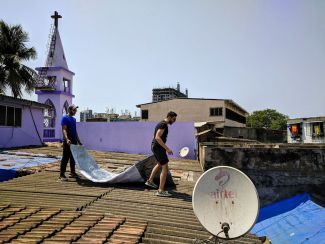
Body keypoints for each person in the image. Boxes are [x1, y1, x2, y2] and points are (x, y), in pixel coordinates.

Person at [145, 111, 177, 196]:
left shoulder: (160, 123)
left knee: (159, 164)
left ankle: (150, 181)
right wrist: (167, 149)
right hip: (158, 148)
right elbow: (157, 137)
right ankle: (160, 190)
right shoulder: (163, 124)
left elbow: (154, 136)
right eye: (174, 119)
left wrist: (155, 146)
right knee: (165, 168)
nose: (174, 121)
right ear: (169, 117)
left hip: (155, 147)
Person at [59, 104, 82, 181]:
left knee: (73, 158)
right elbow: (64, 129)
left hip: (74, 141)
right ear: (70, 110)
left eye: (76, 110)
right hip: (68, 142)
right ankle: (62, 174)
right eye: (74, 110)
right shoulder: (65, 118)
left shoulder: (74, 119)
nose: (75, 111)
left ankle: (72, 172)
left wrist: (79, 141)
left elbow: (75, 131)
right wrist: (67, 139)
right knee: (65, 158)